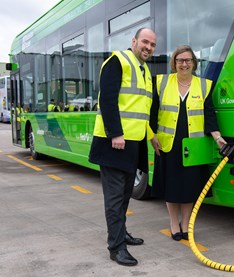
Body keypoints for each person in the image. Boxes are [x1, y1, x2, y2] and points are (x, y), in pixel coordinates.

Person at [88, 27, 156, 266]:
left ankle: (122, 234)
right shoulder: (118, 61)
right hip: (114, 143)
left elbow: (141, 112)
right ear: (134, 41)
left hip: (133, 144)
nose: (148, 47)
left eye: (152, 45)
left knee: (126, 195)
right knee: (115, 198)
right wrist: (115, 133)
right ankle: (116, 247)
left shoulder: (145, 70)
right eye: (145, 42)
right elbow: (107, 99)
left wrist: (151, 136)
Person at [149, 45, 227, 241]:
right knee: (171, 185)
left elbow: (209, 115)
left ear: (194, 63)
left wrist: (217, 137)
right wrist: (151, 135)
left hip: (193, 145)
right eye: (180, 60)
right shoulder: (161, 82)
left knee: (189, 186)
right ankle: (174, 223)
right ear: (174, 63)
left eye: (188, 60)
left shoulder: (205, 85)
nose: (184, 64)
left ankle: (186, 223)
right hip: (168, 143)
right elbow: (151, 112)